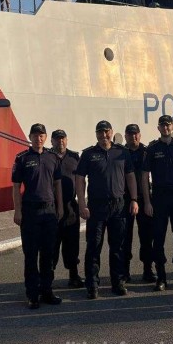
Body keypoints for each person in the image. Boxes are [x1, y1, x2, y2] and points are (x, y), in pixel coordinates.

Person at [75, 120, 139, 298]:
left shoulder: (122, 152)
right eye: (100, 132)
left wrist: (134, 199)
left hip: (118, 206)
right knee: (94, 246)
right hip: (97, 206)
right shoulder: (88, 154)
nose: (104, 135)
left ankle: (117, 282)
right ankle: (92, 285)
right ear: (96, 134)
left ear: (111, 132)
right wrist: (82, 204)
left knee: (117, 247)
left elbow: (130, 177)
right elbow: (79, 179)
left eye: (106, 132)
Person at [11, 123, 64, 309]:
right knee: (31, 255)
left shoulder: (52, 157)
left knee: (48, 255)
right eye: (35, 135)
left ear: (46, 137)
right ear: (30, 137)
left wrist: (60, 207)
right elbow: (16, 187)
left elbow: (57, 184)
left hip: (49, 211)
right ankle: (33, 294)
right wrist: (17, 211)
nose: (38, 138)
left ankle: (47, 291)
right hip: (30, 212)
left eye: (41, 135)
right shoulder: (22, 159)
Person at [141, 115, 173, 291]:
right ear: (158, 128)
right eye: (162, 125)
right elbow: (144, 175)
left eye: (168, 125)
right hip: (159, 197)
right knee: (159, 238)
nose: (165, 128)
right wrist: (147, 202)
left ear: (172, 127)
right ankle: (161, 277)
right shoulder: (152, 149)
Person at [50, 129, 84, 288]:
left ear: (67, 140)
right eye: (57, 139)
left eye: (62, 139)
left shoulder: (74, 157)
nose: (60, 142)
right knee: (51, 244)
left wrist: (82, 203)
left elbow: (80, 180)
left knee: (72, 243)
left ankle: (74, 275)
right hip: (52, 207)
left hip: (71, 206)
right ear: (52, 141)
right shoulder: (47, 156)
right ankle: (48, 277)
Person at [122, 124, 154, 283]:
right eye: (130, 134)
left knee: (147, 236)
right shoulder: (120, 152)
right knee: (124, 237)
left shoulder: (147, 151)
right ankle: (124, 271)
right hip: (125, 200)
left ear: (140, 135)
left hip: (144, 198)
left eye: (135, 134)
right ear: (125, 136)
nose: (133, 137)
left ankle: (148, 269)